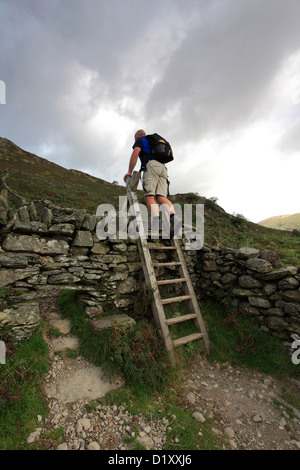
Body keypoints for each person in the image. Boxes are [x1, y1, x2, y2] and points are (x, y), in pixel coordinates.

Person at [123, 129, 180, 237]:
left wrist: (129, 171)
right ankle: (174, 217)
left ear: (136, 137)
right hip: (163, 168)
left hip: (151, 166)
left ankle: (156, 222)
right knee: (161, 196)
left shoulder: (140, 140)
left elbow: (135, 154)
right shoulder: (153, 141)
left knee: (150, 196)